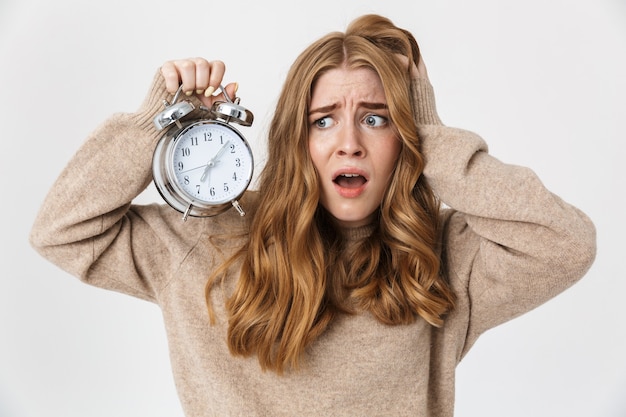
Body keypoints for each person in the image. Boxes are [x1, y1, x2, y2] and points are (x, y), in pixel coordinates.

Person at [30, 14, 596, 417]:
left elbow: (565, 243)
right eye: (323, 120)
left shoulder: (440, 258)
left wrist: (430, 133)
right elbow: (62, 231)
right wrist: (156, 120)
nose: (348, 142)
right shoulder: (205, 240)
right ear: (293, 139)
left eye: (375, 119)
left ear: (404, 137)